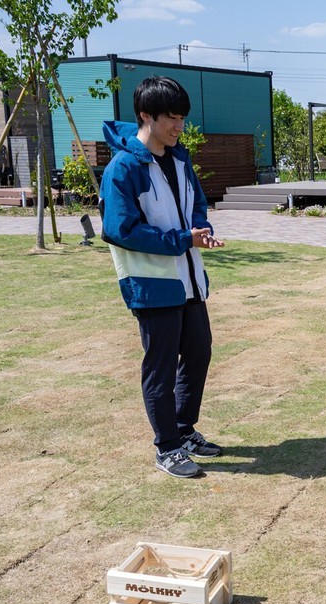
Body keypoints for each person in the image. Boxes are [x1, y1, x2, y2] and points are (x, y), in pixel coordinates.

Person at [100, 76, 226, 478]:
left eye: (182, 118)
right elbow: (120, 230)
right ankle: (166, 447)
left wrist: (199, 230)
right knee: (160, 365)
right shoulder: (124, 167)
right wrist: (179, 240)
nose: (178, 126)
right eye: (171, 118)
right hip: (152, 286)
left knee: (199, 351)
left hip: (189, 279)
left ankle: (184, 430)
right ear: (145, 116)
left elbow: (197, 204)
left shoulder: (179, 159)